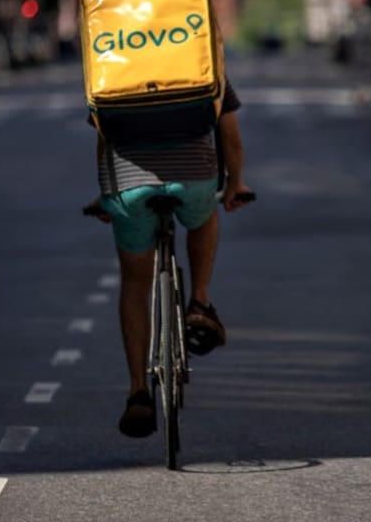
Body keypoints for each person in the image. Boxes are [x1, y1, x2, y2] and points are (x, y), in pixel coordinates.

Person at [88, 78, 253, 438]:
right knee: (205, 216)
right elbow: (231, 136)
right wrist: (236, 183)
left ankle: (137, 392)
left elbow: (104, 132)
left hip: (127, 183)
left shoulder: (113, 61)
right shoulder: (199, 60)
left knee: (134, 283)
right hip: (194, 175)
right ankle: (199, 301)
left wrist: (105, 194)